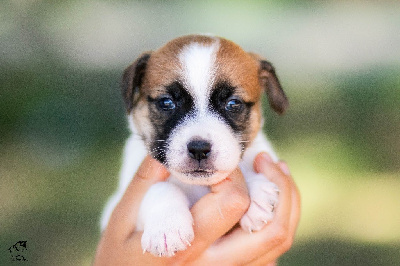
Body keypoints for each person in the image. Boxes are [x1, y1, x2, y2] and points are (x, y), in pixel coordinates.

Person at [94, 152, 300, 265]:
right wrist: (162, 204)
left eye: (231, 105)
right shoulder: (140, 150)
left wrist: (254, 186)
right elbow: (123, 212)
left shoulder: (253, 149)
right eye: (167, 103)